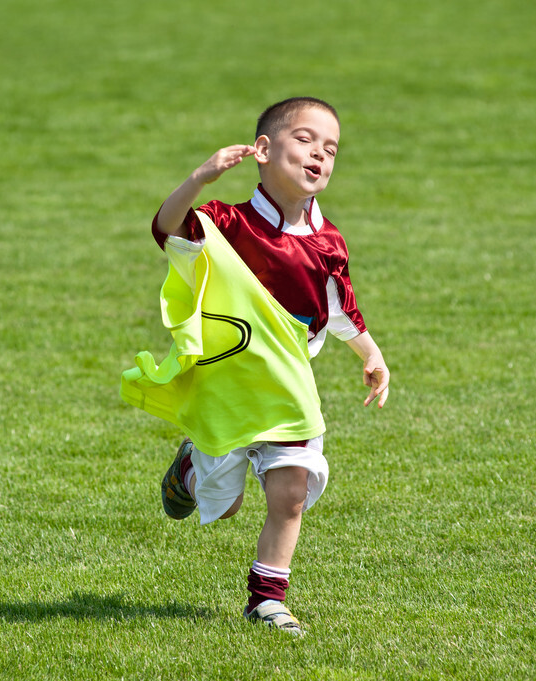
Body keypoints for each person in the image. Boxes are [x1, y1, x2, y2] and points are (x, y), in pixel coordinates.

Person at [122, 97, 390, 636]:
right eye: (306, 140)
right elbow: (167, 228)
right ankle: (192, 468)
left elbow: (340, 306)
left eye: (331, 149)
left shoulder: (328, 240)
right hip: (227, 388)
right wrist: (199, 178)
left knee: (291, 491)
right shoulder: (227, 222)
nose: (320, 154)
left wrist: (371, 353)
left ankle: (266, 599)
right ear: (263, 151)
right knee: (223, 508)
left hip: (288, 390)